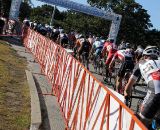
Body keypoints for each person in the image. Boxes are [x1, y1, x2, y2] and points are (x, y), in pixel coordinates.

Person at [124, 46, 160, 129]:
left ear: (144, 56)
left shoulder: (141, 62)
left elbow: (128, 87)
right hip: (156, 90)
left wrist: (126, 97)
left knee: (141, 125)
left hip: (156, 92)